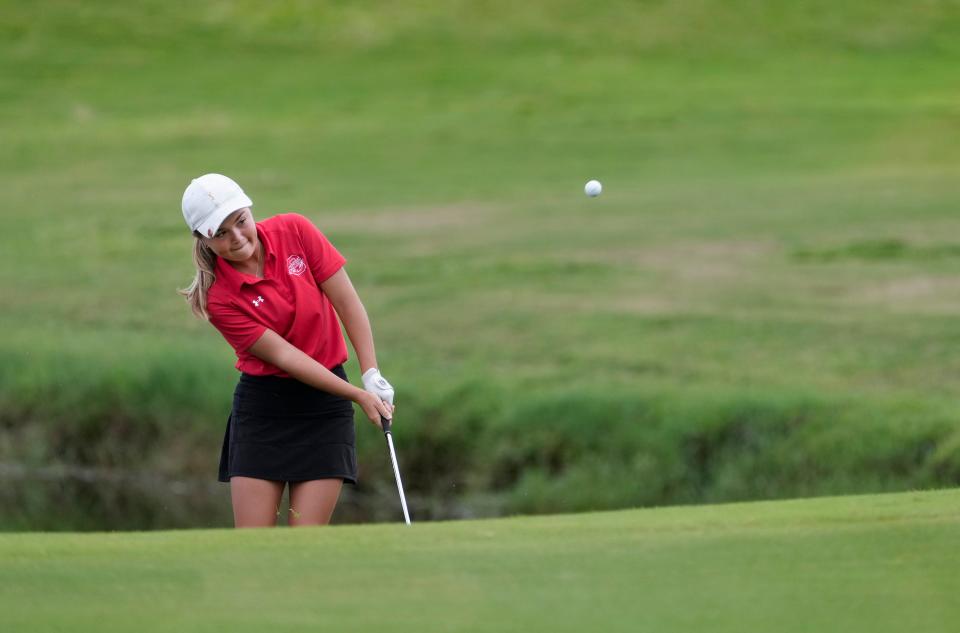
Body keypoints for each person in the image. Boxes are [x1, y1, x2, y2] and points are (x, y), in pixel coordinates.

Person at [178, 173, 395, 528]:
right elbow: (286, 358)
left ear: (250, 210)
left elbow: (347, 302)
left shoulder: (295, 230)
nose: (237, 238)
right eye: (221, 233)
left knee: (304, 543)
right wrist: (357, 394)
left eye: (240, 222)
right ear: (204, 238)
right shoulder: (220, 298)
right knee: (255, 548)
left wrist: (371, 374)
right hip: (265, 410)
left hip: (324, 409)